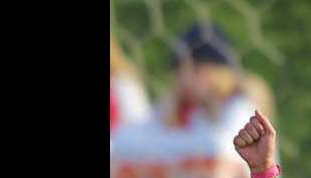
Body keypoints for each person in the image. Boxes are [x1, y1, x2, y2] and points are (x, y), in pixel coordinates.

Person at [112, 22, 269, 164]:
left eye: (195, 68)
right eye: (179, 70)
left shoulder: (240, 105)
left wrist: (164, 141)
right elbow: (123, 141)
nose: (183, 78)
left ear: (217, 70)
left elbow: (220, 148)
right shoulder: (180, 108)